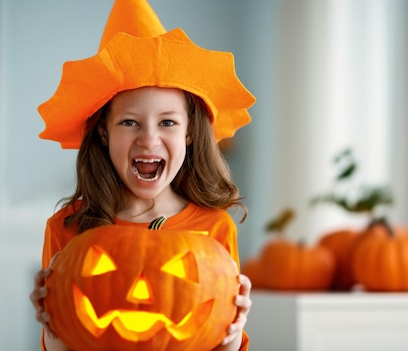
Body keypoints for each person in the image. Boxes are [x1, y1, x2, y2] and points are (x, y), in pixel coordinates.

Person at [28, 0, 256, 350]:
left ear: (189, 134)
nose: (149, 139)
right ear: (103, 133)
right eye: (129, 122)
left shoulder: (215, 228)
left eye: (167, 122)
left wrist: (229, 334)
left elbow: (216, 339)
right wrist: (53, 325)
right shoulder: (65, 228)